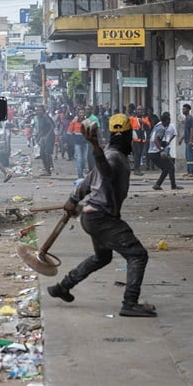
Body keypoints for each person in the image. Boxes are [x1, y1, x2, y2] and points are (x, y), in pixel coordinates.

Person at [46, 114, 156, 317]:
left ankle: (63, 286)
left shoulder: (110, 153)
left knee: (102, 257)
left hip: (92, 216)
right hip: (102, 218)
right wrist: (95, 147)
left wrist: (73, 198)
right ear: (127, 136)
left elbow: (87, 181)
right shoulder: (112, 157)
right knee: (138, 255)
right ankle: (130, 302)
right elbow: (105, 171)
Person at [148, 111, 181, 190]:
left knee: (166, 168)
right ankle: (173, 186)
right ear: (165, 121)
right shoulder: (162, 128)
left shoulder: (157, 126)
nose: (169, 124)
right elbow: (156, 140)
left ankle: (158, 185)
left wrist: (163, 143)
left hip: (151, 152)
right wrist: (161, 151)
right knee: (171, 166)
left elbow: (153, 138)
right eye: (168, 122)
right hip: (155, 152)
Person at [35, 106, 56, 175]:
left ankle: (48, 171)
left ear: (43, 111)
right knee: (42, 153)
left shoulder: (45, 117)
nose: (38, 112)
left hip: (50, 137)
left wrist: (47, 136)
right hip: (44, 137)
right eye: (37, 110)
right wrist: (38, 137)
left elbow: (52, 126)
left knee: (47, 153)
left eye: (40, 110)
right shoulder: (39, 118)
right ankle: (47, 169)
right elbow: (42, 130)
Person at [180, 104, 193, 175]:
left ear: (188, 110)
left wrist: (190, 140)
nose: (183, 110)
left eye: (184, 109)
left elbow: (192, 129)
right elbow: (186, 131)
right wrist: (181, 139)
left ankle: (192, 172)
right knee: (187, 156)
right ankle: (188, 171)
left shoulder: (190, 118)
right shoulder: (186, 119)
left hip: (190, 141)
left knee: (190, 156)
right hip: (187, 141)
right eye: (182, 109)